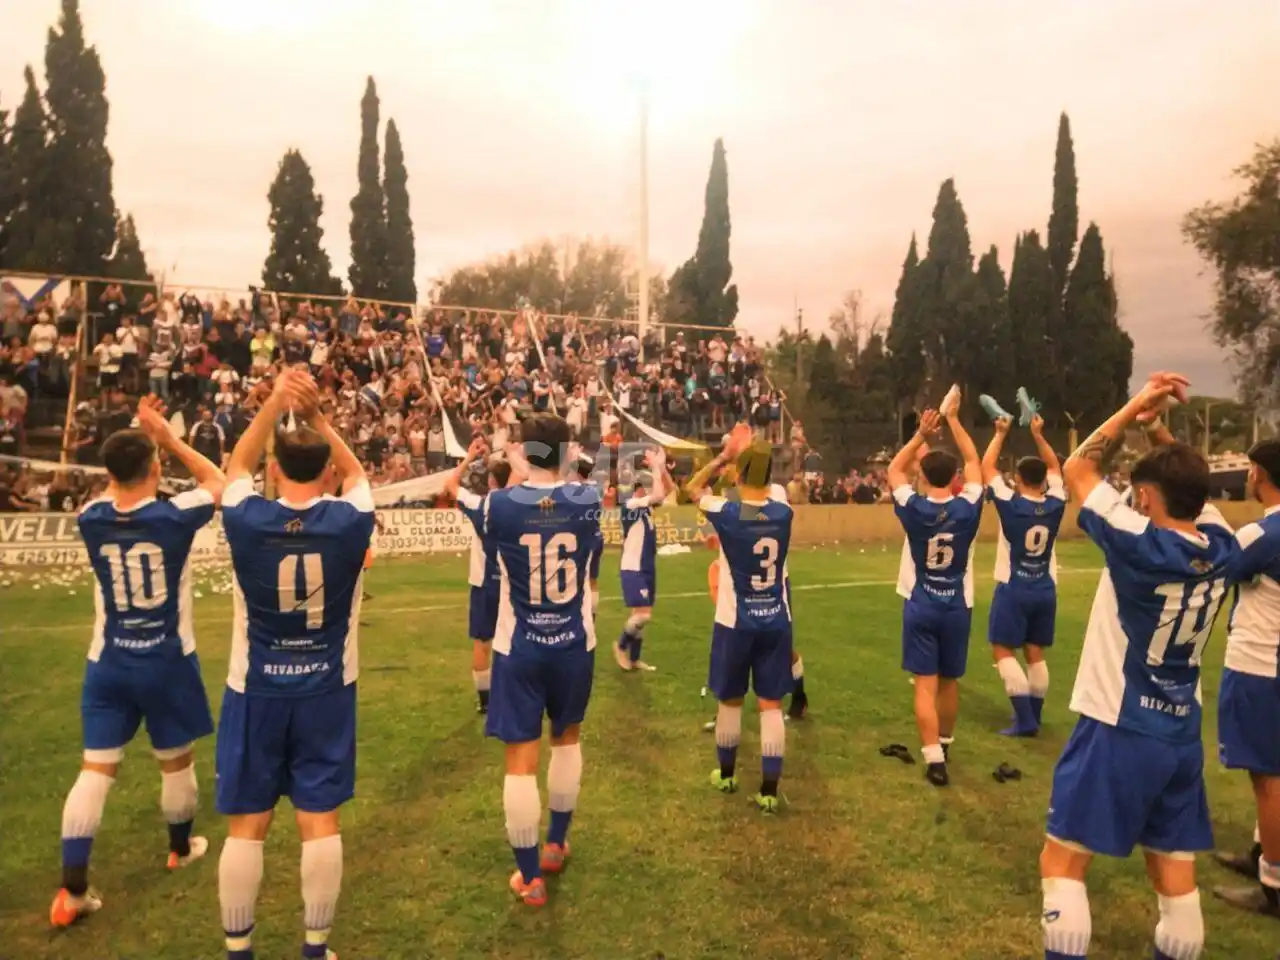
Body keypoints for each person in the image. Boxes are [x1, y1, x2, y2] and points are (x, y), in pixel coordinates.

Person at [1038, 373, 1234, 960]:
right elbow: (1185, 484)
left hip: (1118, 725)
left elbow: (1077, 467)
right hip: (1178, 735)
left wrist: (1134, 408)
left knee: (1063, 862)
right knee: (1176, 879)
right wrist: (1158, 433)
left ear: (1145, 499)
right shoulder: (1220, 542)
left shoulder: (1139, 543)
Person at [215, 369, 375, 960]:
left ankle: (239, 950)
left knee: (246, 826)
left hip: (254, 689)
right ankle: (313, 949)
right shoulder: (351, 519)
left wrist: (276, 405)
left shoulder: (247, 517)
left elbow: (235, 466)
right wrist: (317, 417)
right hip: (326, 692)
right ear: (326, 471)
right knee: (320, 822)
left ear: (275, 470)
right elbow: (358, 473)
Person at [51, 395, 226, 927]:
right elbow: (219, 481)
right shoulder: (173, 517)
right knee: (176, 761)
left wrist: (134, 443)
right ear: (154, 469)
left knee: (96, 769)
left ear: (108, 472)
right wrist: (168, 439)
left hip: (108, 661)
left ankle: (71, 890)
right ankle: (179, 848)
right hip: (166, 660)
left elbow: (115, 487)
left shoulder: (90, 517)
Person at [484, 413, 601, 907]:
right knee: (567, 740)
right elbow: (569, 488)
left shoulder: (500, 504)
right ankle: (555, 843)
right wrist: (543, 465)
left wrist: (520, 469)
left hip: (521, 647)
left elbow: (514, 503)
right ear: (567, 451)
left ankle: (529, 877)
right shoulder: (588, 499)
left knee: (520, 761)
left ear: (524, 452)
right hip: (574, 643)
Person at [686, 426, 795, 814]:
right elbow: (771, 490)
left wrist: (722, 458)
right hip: (775, 620)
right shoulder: (785, 509)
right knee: (770, 704)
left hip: (735, 620)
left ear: (739, 473)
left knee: (730, 700)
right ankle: (768, 789)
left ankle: (727, 774)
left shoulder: (726, 512)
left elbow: (690, 490)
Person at [887, 396, 983, 788]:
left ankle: (933, 759)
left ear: (922, 476)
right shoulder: (968, 506)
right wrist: (955, 421)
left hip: (922, 600)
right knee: (949, 682)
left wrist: (921, 435)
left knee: (924, 684)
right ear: (953, 475)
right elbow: (976, 463)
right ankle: (945, 744)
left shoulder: (915, 508)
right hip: (956, 604)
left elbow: (894, 469)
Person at [1211, 438, 1280, 919]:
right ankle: (1262, 856)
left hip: (1262, 666)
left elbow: (1220, 562)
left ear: (1257, 473)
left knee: (1268, 778)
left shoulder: (1265, 534)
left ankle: (1274, 885)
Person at [980, 413, 1066, 736]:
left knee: (1002, 650)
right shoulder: (1057, 502)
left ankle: (1025, 719)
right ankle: (1035, 716)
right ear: (1043, 479)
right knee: (1035, 652)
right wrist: (1039, 435)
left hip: (1014, 586)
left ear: (1017, 477)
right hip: (1044, 586)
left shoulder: (1011, 502)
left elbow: (987, 467)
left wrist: (1000, 433)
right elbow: (1056, 469)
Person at [447, 436, 519, 714]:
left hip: (483, 583)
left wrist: (468, 458)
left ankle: (486, 701)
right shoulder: (517, 506)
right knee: (512, 638)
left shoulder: (479, 505)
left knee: (482, 640)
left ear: (491, 482)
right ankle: (512, 691)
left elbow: (450, 485)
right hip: (512, 582)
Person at [615, 447, 670, 672]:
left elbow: (669, 490)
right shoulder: (630, 505)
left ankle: (635, 659)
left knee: (638, 615)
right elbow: (658, 495)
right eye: (643, 487)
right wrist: (656, 469)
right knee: (643, 615)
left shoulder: (645, 509)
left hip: (646, 567)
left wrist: (662, 467)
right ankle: (620, 647)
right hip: (633, 567)